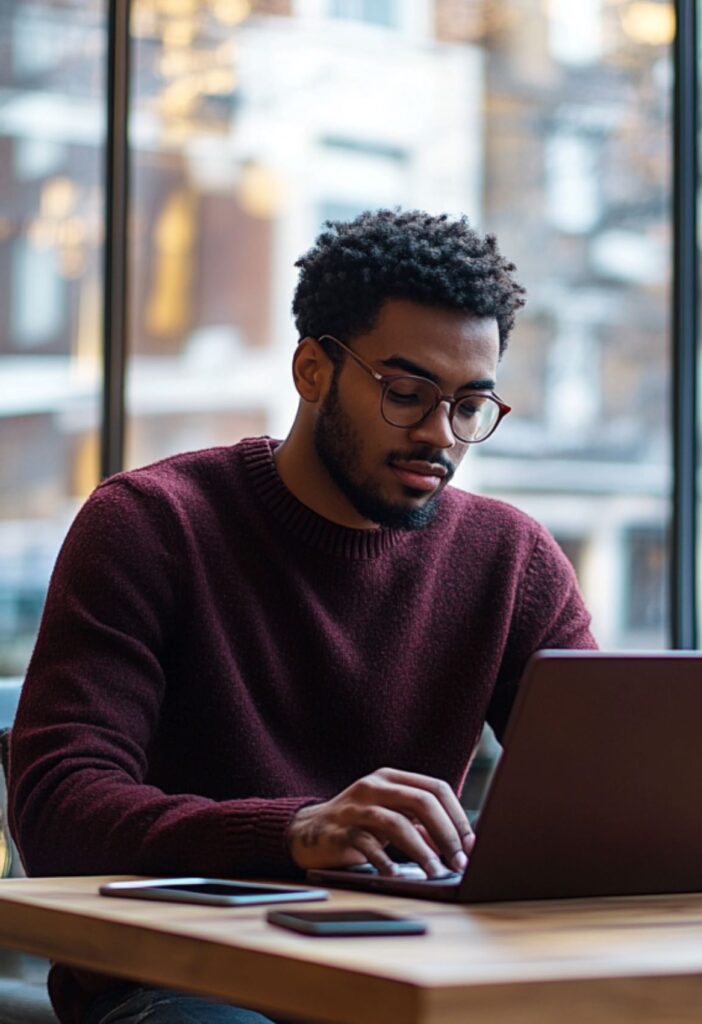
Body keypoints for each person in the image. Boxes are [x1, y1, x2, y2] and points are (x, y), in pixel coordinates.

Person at [8, 209, 596, 1024]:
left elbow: (606, 791)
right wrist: (294, 831)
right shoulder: (150, 524)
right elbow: (57, 812)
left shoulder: (511, 559)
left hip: (409, 965)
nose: (440, 435)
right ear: (312, 369)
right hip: (184, 980)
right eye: (406, 393)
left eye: (469, 405)